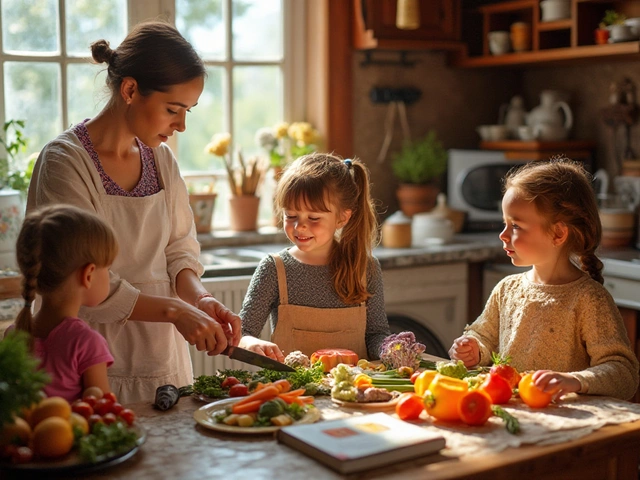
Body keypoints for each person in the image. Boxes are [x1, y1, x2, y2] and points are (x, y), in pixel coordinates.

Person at [26, 21, 241, 404]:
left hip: (165, 363)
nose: (182, 125)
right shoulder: (64, 163)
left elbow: (179, 251)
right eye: (173, 109)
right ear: (130, 90)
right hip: (90, 364)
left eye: (188, 110)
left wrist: (201, 300)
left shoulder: (162, 161)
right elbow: (82, 276)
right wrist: (176, 311)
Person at [449, 159, 639, 401]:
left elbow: (624, 373)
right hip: (515, 414)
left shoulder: (589, 299)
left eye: (515, 226)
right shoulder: (506, 289)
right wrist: (473, 349)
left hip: (566, 424)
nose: (502, 235)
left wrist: (575, 381)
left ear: (558, 233)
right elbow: (483, 337)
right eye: (504, 223)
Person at [238, 153, 391, 361]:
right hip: (294, 391)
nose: (299, 226)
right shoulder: (274, 269)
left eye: (313, 217)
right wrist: (250, 342)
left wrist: (389, 348)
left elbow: (376, 335)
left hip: (351, 391)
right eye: (290, 215)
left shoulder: (366, 268)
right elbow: (242, 332)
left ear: (342, 217)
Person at [11, 205, 116, 402]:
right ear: (88, 275)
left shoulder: (14, 335)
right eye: (108, 269)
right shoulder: (86, 343)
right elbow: (105, 415)